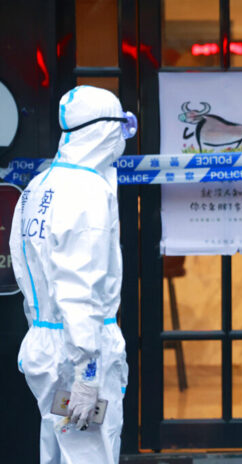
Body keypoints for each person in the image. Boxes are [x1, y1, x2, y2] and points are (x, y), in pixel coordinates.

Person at [10, 85, 133, 464]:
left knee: (56, 449)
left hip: (45, 345)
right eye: (122, 129)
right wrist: (88, 371)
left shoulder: (38, 185)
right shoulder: (89, 192)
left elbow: (22, 264)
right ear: (104, 130)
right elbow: (79, 288)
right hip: (79, 349)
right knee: (90, 453)